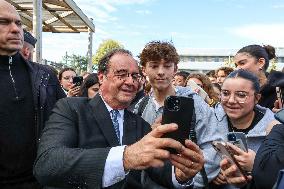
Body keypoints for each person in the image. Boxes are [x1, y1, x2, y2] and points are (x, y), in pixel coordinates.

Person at [33, 48, 205, 189]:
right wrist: (126, 157)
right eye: (121, 74)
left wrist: (181, 175)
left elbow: (160, 171)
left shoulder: (140, 124)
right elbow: (48, 164)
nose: (130, 82)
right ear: (101, 77)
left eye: (135, 76)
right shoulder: (70, 108)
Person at [133, 41, 223, 188]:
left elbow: (214, 147)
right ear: (144, 70)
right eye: (154, 66)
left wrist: (186, 181)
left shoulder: (194, 104)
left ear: (175, 69)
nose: (161, 71)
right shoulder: (140, 106)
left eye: (167, 66)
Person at [0, 1, 66, 188]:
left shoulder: (45, 76)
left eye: (19, 23)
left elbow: (68, 119)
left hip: (40, 181)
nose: (15, 29)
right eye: (4, 22)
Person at [212, 69, 276, 188]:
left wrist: (257, 166)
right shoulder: (208, 121)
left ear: (257, 98)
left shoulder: (275, 129)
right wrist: (211, 172)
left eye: (241, 95)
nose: (231, 100)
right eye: (225, 93)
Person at [234, 44, 284, 109]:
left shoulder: (281, 90)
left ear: (261, 62)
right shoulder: (235, 91)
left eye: (242, 63)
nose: (237, 69)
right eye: (236, 65)